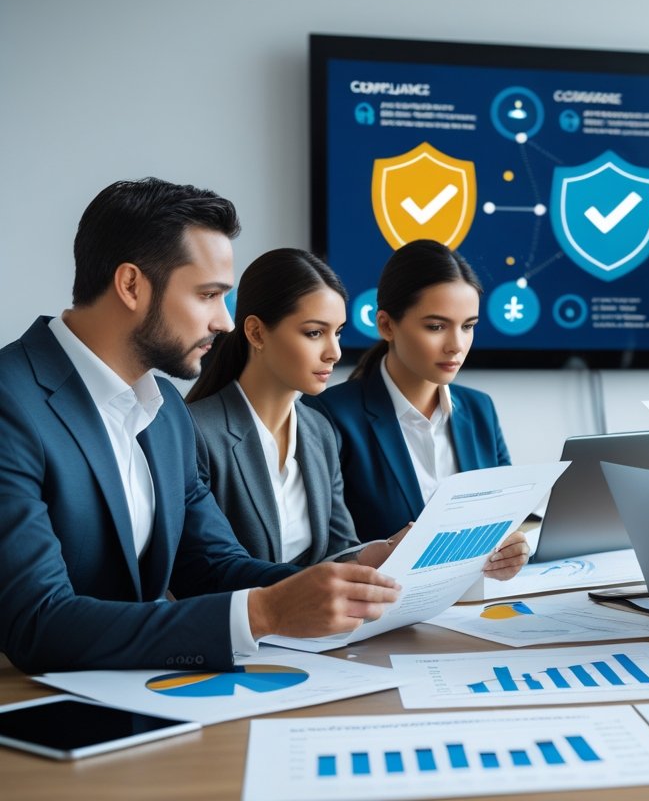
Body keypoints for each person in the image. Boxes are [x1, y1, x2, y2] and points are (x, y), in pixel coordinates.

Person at [0, 178, 400, 673]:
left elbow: (212, 567)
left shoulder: (165, 408)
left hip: (141, 699)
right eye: (209, 295)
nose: (226, 322)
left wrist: (358, 570)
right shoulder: (11, 402)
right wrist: (263, 613)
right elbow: (38, 624)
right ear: (131, 285)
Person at [311, 240, 525, 577]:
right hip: (379, 613)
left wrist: (513, 550)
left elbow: (507, 521)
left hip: (475, 607)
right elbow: (323, 554)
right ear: (386, 325)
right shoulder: (327, 415)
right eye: (436, 327)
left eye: (467, 326)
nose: (456, 345)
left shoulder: (480, 409)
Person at [185, 249, 403, 567]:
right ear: (256, 332)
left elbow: (340, 550)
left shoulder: (319, 430)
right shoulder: (196, 432)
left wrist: (388, 549)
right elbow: (207, 571)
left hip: (322, 616)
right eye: (314, 333)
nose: (334, 353)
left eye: (338, 332)